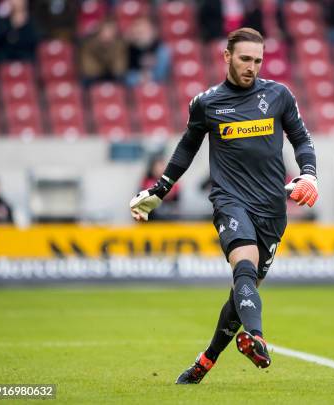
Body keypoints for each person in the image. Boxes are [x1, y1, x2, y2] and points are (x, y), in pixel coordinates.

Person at [129, 28, 318, 383]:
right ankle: (257, 337)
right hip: (230, 201)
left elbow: (302, 140)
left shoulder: (279, 95)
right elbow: (187, 148)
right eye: (245, 59)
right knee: (243, 266)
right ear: (227, 56)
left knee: (243, 291)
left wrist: (309, 175)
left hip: (272, 209)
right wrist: (159, 190)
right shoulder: (207, 103)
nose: (252, 67)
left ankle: (206, 359)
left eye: (258, 60)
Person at [124, 17, 171, 86]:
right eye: (137, 33)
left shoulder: (161, 50)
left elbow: (162, 74)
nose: (139, 36)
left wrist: (151, 76)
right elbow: (124, 76)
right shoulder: (127, 50)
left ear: (151, 32)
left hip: (158, 85)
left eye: (142, 32)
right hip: (135, 87)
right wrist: (138, 77)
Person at [79, 18, 128, 84]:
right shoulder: (89, 45)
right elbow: (89, 69)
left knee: (123, 79)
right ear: (99, 33)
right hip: (94, 75)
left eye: (110, 32)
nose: (107, 35)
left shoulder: (119, 45)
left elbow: (119, 68)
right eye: (105, 31)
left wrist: (110, 48)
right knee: (86, 80)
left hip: (113, 75)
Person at [138, 156, 180, 221]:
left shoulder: (171, 181)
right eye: (158, 167)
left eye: (162, 166)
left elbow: (174, 196)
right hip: (151, 217)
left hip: (168, 215)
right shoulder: (147, 181)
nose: (160, 169)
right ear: (152, 169)